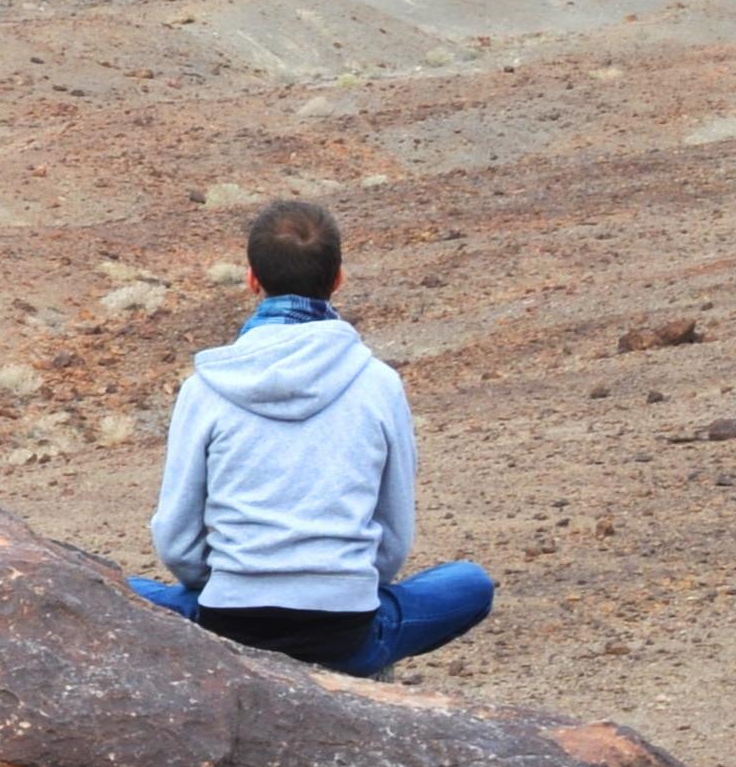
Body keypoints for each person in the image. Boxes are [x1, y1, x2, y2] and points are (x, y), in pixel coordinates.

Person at [132, 197, 493, 678]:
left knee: (106, 587)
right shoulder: (378, 383)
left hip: (229, 626)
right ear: (338, 278)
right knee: (471, 584)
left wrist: (220, 585)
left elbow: (176, 539)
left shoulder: (204, 389)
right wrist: (345, 587)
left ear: (252, 279)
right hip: (346, 633)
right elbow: (394, 536)